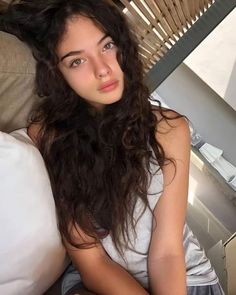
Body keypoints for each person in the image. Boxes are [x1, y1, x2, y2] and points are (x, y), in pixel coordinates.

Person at [0, 1, 225, 294]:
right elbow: (92, 262)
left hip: (185, 279)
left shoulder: (170, 129)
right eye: (76, 61)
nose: (103, 69)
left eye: (106, 46)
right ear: (58, 74)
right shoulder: (50, 137)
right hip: (100, 282)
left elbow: (167, 252)